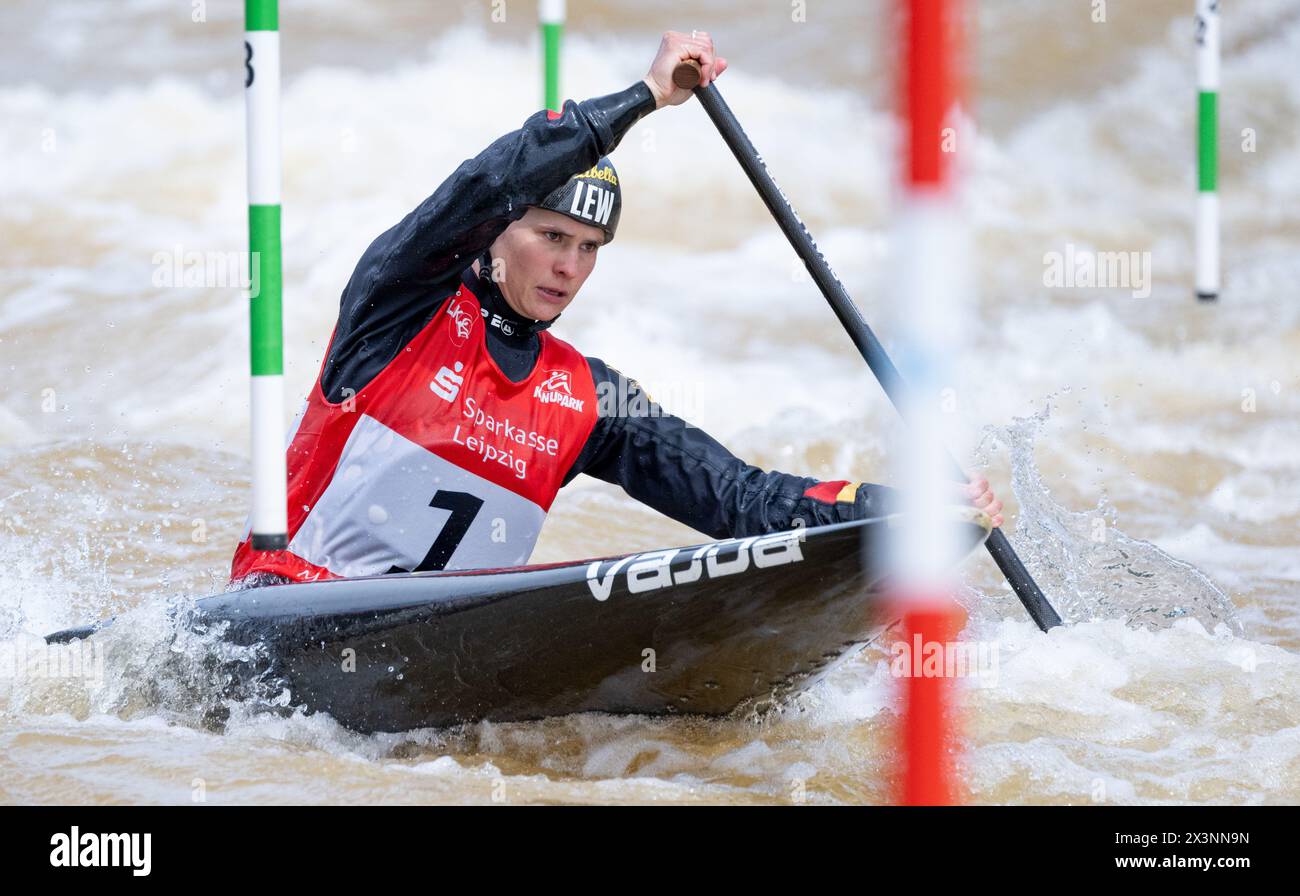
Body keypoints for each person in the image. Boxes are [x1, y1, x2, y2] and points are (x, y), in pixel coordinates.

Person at [229, 31, 1002, 586]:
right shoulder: (399, 304)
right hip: (290, 613)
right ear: (498, 230)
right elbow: (483, 183)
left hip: (424, 656)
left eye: (591, 247)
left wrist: (898, 509)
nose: (569, 266)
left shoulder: (588, 397)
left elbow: (738, 499)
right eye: (551, 235)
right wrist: (642, 100)